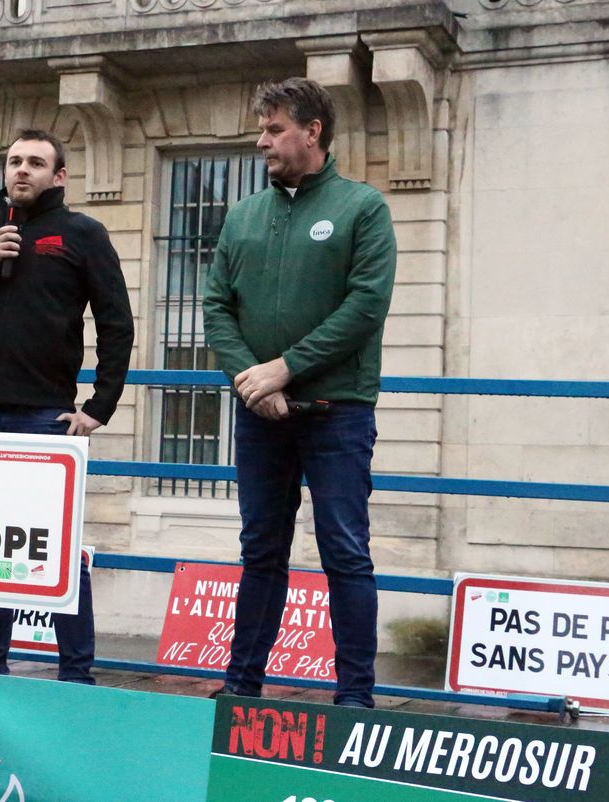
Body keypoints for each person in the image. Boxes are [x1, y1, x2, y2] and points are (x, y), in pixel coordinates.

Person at [202, 78, 397, 708]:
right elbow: (215, 309)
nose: (262, 141)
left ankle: (355, 697)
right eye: (262, 129)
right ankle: (241, 688)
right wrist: (250, 380)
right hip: (261, 415)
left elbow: (366, 306)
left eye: (275, 128)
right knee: (260, 549)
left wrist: (285, 367)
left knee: (345, 550)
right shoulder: (243, 216)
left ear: (312, 132)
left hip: (337, 413)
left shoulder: (362, 208)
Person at [0, 129, 134, 680]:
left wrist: (100, 405)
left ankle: (77, 674)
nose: (22, 170)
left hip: (43, 415)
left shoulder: (83, 233)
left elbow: (117, 323)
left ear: (60, 176)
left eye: (35, 162)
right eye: (14, 161)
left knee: (57, 546)